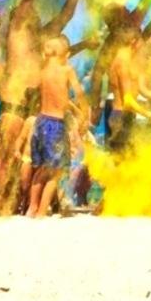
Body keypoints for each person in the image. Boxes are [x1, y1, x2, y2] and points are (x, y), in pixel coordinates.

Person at [0, 0, 88, 215]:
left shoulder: (43, 39)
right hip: (13, 104)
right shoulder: (17, 32)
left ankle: (23, 204)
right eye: (30, 13)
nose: (35, 14)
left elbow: (65, 16)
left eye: (36, 14)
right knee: (8, 156)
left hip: (36, 110)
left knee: (31, 160)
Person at [28, 35, 89, 218]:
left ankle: (32, 208)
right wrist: (84, 112)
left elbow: (59, 96)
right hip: (55, 124)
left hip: (41, 122)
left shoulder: (43, 71)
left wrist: (73, 109)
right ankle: (41, 211)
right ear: (64, 54)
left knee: (41, 169)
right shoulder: (66, 70)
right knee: (55, 172)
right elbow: (79, 93)